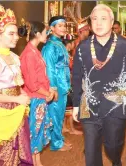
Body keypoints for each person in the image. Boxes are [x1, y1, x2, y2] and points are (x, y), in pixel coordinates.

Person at [72, 4, 126, 166]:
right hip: (89, 104)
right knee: (91, 149)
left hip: (115, 105)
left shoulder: (125, 46)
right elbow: (77, 76)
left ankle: (116, 158)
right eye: (94, 19)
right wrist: (76, 103)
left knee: (113, 144)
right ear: (90, 23)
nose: (99, 23)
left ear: (111, 22)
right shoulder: (83, 47)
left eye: (103, 18)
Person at [0, 4, 33, 166]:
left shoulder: (14, 57)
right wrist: (17, 100)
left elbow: (17, 84)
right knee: (3, 161)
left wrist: (22, 94)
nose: (16, 37)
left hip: (16, 112)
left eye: (17, 33)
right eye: (11, 33)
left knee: (14, 157)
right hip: (0, 115)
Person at [19, 21, 55, 166]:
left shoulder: (34, 51)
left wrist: (48, 91)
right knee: (34, 133)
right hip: (35, 99)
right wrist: (47, 93)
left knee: (39, 132)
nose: (46, 35)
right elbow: (32, 84)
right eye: (45, 32)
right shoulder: (28, 54)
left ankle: (38, 164)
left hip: (40, 98)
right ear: (37, 34)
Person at [42, 16, 72, 151]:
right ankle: (56, 143)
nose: (63, 28)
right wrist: (53, 88)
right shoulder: (50, 47)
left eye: (64, 25)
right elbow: (49, 68)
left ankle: (59, 139)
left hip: (63, 83)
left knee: (60, 113)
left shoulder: (59, 43)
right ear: (52, 28)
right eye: (59, 25)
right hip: (56, 85)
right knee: (54, 113)